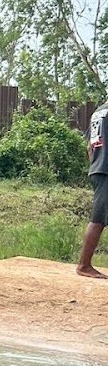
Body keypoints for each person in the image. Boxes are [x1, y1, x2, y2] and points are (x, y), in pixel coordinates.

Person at [77, 99, 108, 278]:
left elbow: (90, 146)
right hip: (105, 171)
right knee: (98, 219)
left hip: (99, 168)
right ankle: (84, 265)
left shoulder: (99, 112)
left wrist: (95, 164)